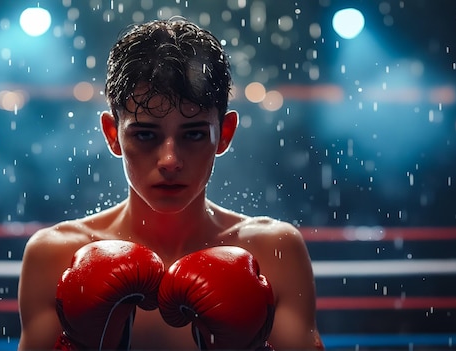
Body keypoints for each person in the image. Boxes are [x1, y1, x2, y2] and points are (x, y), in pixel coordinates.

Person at [17, 18, 324, 351]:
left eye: (192, 134)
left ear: (224, 134)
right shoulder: (54, 253)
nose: (169, 160)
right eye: (145, 134)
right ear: (112, 135)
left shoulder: (274, 249)